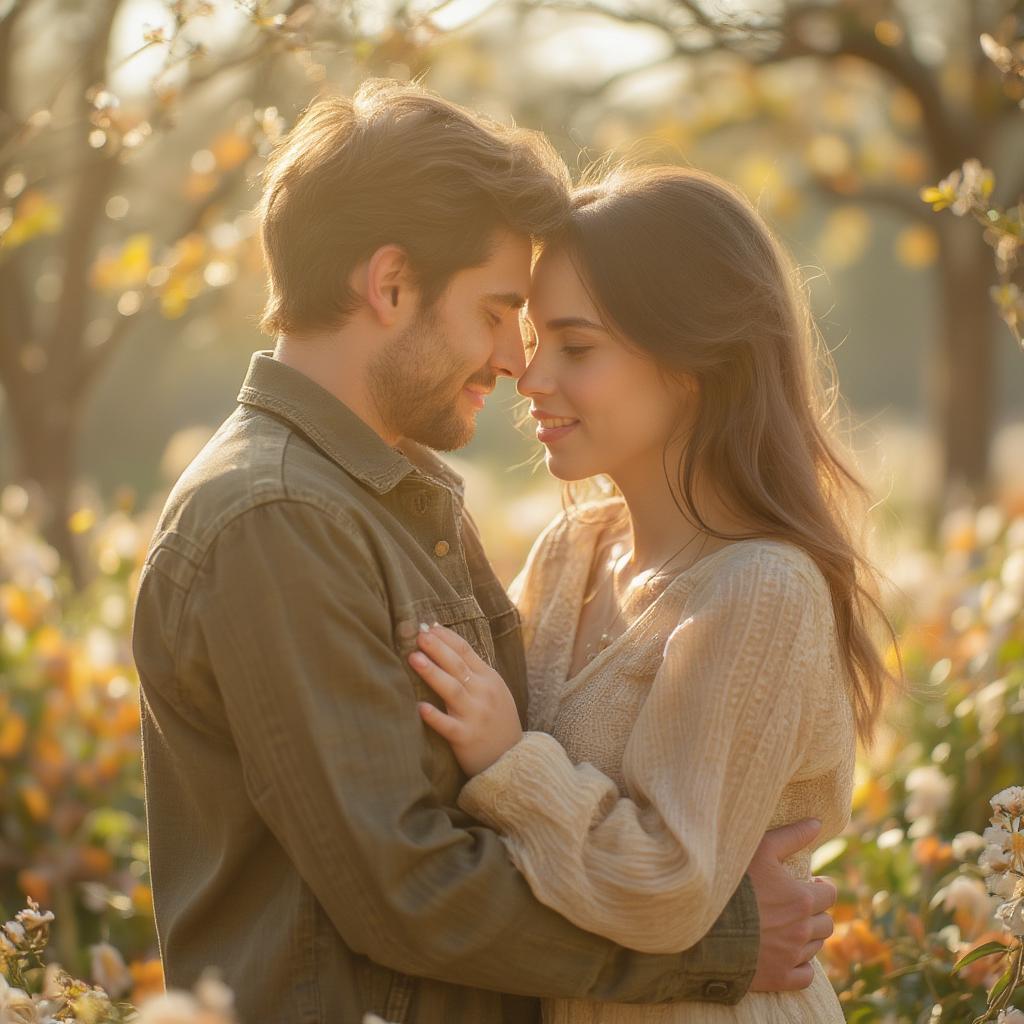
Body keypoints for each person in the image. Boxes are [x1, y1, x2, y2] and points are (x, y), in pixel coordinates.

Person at [132, 83, 838, 1024]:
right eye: (501, 312)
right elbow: (410, 887)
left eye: (558, 340)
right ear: (389, 285)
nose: (516, 363)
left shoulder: (391, 500)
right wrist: (724, 939)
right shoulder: (280, 516)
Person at [407, 165, 899, 1022]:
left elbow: (668, 888)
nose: (530, 378)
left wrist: (508, 761)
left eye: (578, 346)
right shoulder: (571, 553)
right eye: (533, 340)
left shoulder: (760, 592)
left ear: (695, 363)